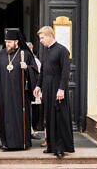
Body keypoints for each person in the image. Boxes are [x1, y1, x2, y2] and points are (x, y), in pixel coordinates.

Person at [0, 28, 38, 150]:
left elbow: (35, 71)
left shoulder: (26, 54)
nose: (7, 44)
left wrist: (27, 68)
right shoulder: (1, 54)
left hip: (20, 94)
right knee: (6, 118)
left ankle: (22, 143)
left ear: (16, 41)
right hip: (5, 93)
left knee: (20, 117)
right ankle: (6, 143)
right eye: (6, 41)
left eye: (10, 42)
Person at [33, 26, 74, 158]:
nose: (41, 41)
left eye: (42, 38)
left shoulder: (62, 50)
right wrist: (38, 86)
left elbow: (65, 72)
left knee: (59, 118)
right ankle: (51, 146)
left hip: (58, 89)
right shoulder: (45, 51)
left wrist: (61, 89)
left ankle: (61, 148)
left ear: (50, 36)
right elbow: (43, 71)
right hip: (47, 89)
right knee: (49, 117)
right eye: (40, 38)